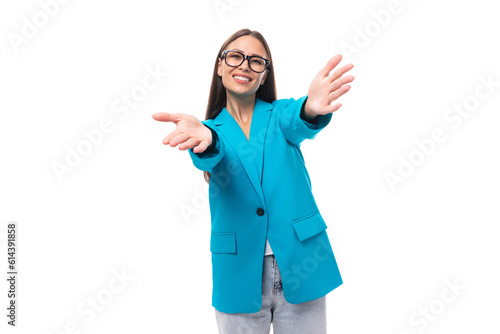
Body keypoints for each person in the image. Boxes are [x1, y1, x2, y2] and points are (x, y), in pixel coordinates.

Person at [153, 28, 354, 334]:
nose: (245, 65)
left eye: (256, 61)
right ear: (220, 67)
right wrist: (206, 138)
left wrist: (311, 107)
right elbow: (209, 152)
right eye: (235, 56)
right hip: (239, 271)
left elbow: (300, 118)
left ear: (264, 75)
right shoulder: (209, 130)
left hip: (301, 261)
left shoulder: (279, 115)